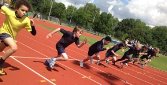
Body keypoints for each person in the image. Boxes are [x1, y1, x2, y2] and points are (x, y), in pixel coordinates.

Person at [0, 0, 36, 75]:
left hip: (11, 38)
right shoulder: (10, 13)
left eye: (26, 11)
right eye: (22, 10)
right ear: (17, 8)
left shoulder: (26, 20)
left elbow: (33, 33)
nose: (24, 12)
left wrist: (32, 25)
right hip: (3, 32)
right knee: (14, 47)